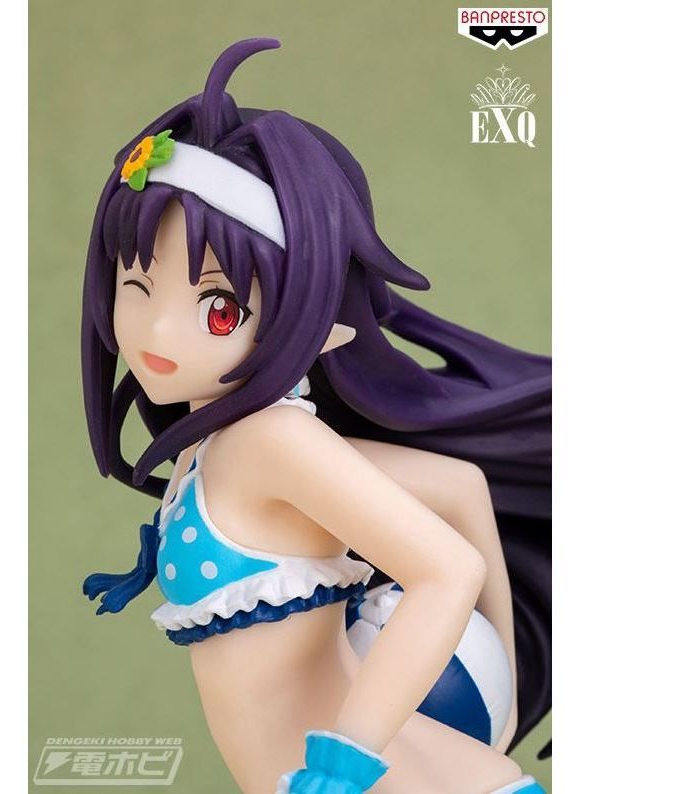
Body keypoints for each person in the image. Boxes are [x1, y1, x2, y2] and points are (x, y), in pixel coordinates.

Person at [82, 38, 551, 794]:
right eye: (136, 283)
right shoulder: (226, 438)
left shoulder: (272, 440)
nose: (157, 332)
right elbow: (459, 484)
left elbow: (449, 569)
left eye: (218, 307)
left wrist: (344, 764)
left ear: (297, 315)